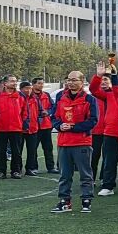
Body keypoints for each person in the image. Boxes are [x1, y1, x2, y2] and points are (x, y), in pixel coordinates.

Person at [49, 71, 99, 213]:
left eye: (74, 80)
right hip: (64, 142)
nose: (70, 83)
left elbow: (93, 121)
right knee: (64, 175)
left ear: (82, 82)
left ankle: (86, 200)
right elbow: (54, 117)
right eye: (69, 80)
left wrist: (73, 127)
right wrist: (59, 126)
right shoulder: (60, 96)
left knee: (85, 174)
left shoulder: (89, 99)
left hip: (82, 142)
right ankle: (64, 201)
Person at [89, 66, 118, 196]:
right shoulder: (109, 94)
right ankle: (108, 186)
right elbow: (93, 90)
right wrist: (98, 76)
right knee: (109, 161)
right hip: (111, 132)